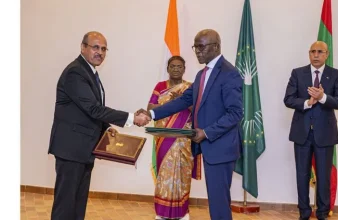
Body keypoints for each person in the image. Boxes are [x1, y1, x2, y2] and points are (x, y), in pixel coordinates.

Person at [138, 29, 243, 220]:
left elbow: (236, 113)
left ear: (216, 46)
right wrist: (151, 113)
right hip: (210, 147)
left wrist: (207, 132)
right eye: (196, 47)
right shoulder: (201, 74)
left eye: (202, 46)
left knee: (219, 203)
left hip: (221, 148)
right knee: (216, 201)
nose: (197, 51)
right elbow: (182, 101)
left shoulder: (229, 73)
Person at [48, 31, 150, 220]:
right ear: (83, 47)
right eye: (95, 47)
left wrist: (108, 129)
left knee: (78, 203)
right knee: (65, 204)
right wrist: (131, 118)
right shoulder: (75, 72)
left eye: (104, 49)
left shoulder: (90, 73)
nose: (100, 52)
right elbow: (93, 109)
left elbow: (90, 111)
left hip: (84, 150)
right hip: (71, 150)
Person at [283, 41, 338, 220]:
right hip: (301, 133)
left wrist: (323, 97)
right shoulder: (297, 73)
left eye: (320, 52)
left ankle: (322, 213)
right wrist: (307, 102)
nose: (316, 55)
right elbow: (288, 99)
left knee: (324, 177)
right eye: (313, 51)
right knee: (301, 175)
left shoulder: (336, 75)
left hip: (325, 134)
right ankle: (303, 212)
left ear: (327, 54)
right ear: (309, 53)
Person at [147, 56, 201, 220]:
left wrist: (181, 100)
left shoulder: (190, 87)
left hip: (184, 140)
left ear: (184, 69)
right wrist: (169, 102)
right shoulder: (160, 86)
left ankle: (182, 213)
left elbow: (196, 109)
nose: (176, 69)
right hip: (164, 138)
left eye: (179, 66)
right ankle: (161, 213)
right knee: (164, 175)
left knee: (182, 175)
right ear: (168, 68)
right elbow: (150, 107)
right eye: (173, 66)